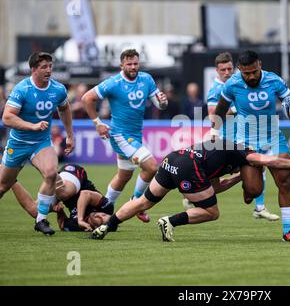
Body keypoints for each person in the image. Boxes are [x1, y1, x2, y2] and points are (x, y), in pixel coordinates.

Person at [90, 138, 290, 241]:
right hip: (189, 167)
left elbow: (215, 187)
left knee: (144, 202)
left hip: (173, 159)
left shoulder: (222, 151)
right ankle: (169, 221)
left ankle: (106, 227)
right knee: (212, 212)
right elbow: (264, 160)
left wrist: (238, 178)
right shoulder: (242, 152)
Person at [212, 50, 290, 242]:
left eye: (254, 72)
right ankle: (248, 188)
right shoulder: (232, 84)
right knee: (254, 190)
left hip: (273, 138)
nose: (251, 77)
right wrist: (214, 133)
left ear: (260, 65)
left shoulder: (274, 80)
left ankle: (288, 231)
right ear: (240, 69)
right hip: (246, 142)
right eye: (246, 73)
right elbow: (221, 110)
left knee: (285, 180)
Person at [82, 49, 168, 223]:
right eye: (129, 64)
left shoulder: (146, 79)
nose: (133, 67)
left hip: (135, 134)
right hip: (120, 135)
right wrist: (98, 123)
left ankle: (103, 208)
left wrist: (163, 102)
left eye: (135, 63)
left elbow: (159, 104)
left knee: (124, 176)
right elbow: (87, 98)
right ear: (121, 65)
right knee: (151, 167)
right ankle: (135, 203)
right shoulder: (114, 83)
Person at [0, 52, 74, 236]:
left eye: (50, 66)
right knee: (3, 186)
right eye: (44, 67)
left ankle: (41, 220)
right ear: (33, 69)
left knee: (50, 173)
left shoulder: (58, 90)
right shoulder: (22, 89)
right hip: (18, 143)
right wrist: (31, 126)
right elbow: (7, 117)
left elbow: (64, 109)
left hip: (41, 142)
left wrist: (70, 135)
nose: (48, 70)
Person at [201, 51, 278, 220]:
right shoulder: (216, 89)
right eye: (223, 70)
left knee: (258, 164)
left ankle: (259, 206)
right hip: (224, 140)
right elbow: (213, 114)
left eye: (229, 69)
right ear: (217, 71)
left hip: (240, 138)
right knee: (215, 182)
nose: (227, 73)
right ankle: (192, 196)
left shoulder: (239, 84)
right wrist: (235, 110)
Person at [11, 163, 113, 231]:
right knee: (64, 193)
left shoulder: (80, 227)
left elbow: (62, 224)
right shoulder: (107, 207)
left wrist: (59, 211)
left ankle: (10, 178)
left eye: (101, 220)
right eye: (104, 215)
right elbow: (85, 194)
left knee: (35, 212)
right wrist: (80, 219)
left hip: (61, 193)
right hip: (76, 176)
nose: (100, 215)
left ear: (96, 227)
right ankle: (42, 164)